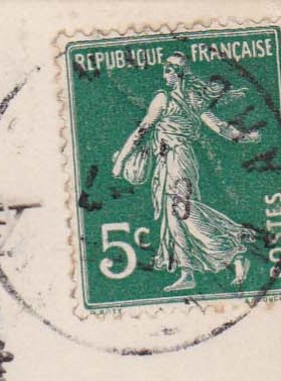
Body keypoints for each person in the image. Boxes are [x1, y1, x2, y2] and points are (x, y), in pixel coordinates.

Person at [111, 53, 262, 292]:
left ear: (179, 73)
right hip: (168, 161)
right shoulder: (191, 99)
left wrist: (120, 161)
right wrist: (244, 137)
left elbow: (142, 130)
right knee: (174, 218)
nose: (165, 74)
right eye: (164, 69)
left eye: (169, 70)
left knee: (184, 211)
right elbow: (220, 127)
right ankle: (187, 272)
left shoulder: (167, 98)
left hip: (178, 159)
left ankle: (233, 251)